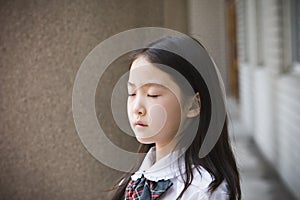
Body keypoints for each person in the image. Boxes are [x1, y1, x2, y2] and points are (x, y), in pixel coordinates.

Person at [110, 35, 241, 200]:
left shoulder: (202, 192)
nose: (137, 108)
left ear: (193, 105)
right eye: (132, 93)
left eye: (153, 95)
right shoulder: (134, 180)